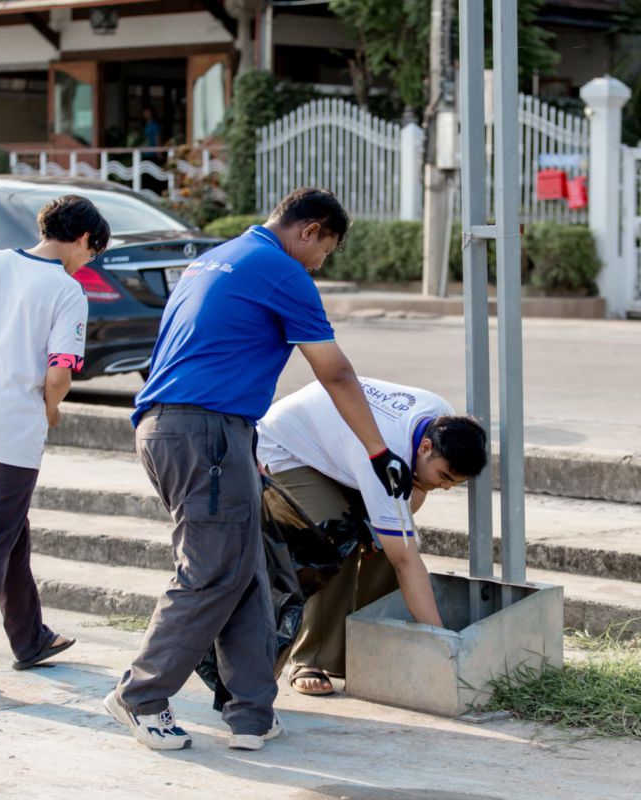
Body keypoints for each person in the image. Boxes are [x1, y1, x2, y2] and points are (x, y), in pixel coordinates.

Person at [104, 188, 414, 752]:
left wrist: (240, 445)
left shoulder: (214, 258)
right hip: (205, 433)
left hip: (192, 429)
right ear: (311, 230)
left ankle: (249, 711)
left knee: (247, 569)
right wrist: (378, 451)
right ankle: (140, 695)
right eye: (328, 250)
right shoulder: (283, 270)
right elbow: (336, 373)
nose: (322, 263)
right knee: (211, 572)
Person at [0, 195, 110, 696]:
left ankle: (30, 638)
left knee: (8, 530)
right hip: (12, 427)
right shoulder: (67, 291)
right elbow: (58, 373)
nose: (87, 261)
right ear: (80, 239)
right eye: (92, 252)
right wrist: (50, 411)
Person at [257, 377, 488, 696]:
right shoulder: (389, 449)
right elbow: (407, 560)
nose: (446, 486)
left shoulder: (441, 421)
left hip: (343, 447)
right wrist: (442, 644)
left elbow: (408, 502)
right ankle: (313, 656)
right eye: (444, 477)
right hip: (290, 447)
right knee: (335, 539)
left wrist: (390, 525)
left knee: (382, 545)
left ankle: (364, 651)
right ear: (425, 447)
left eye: (454, 483)